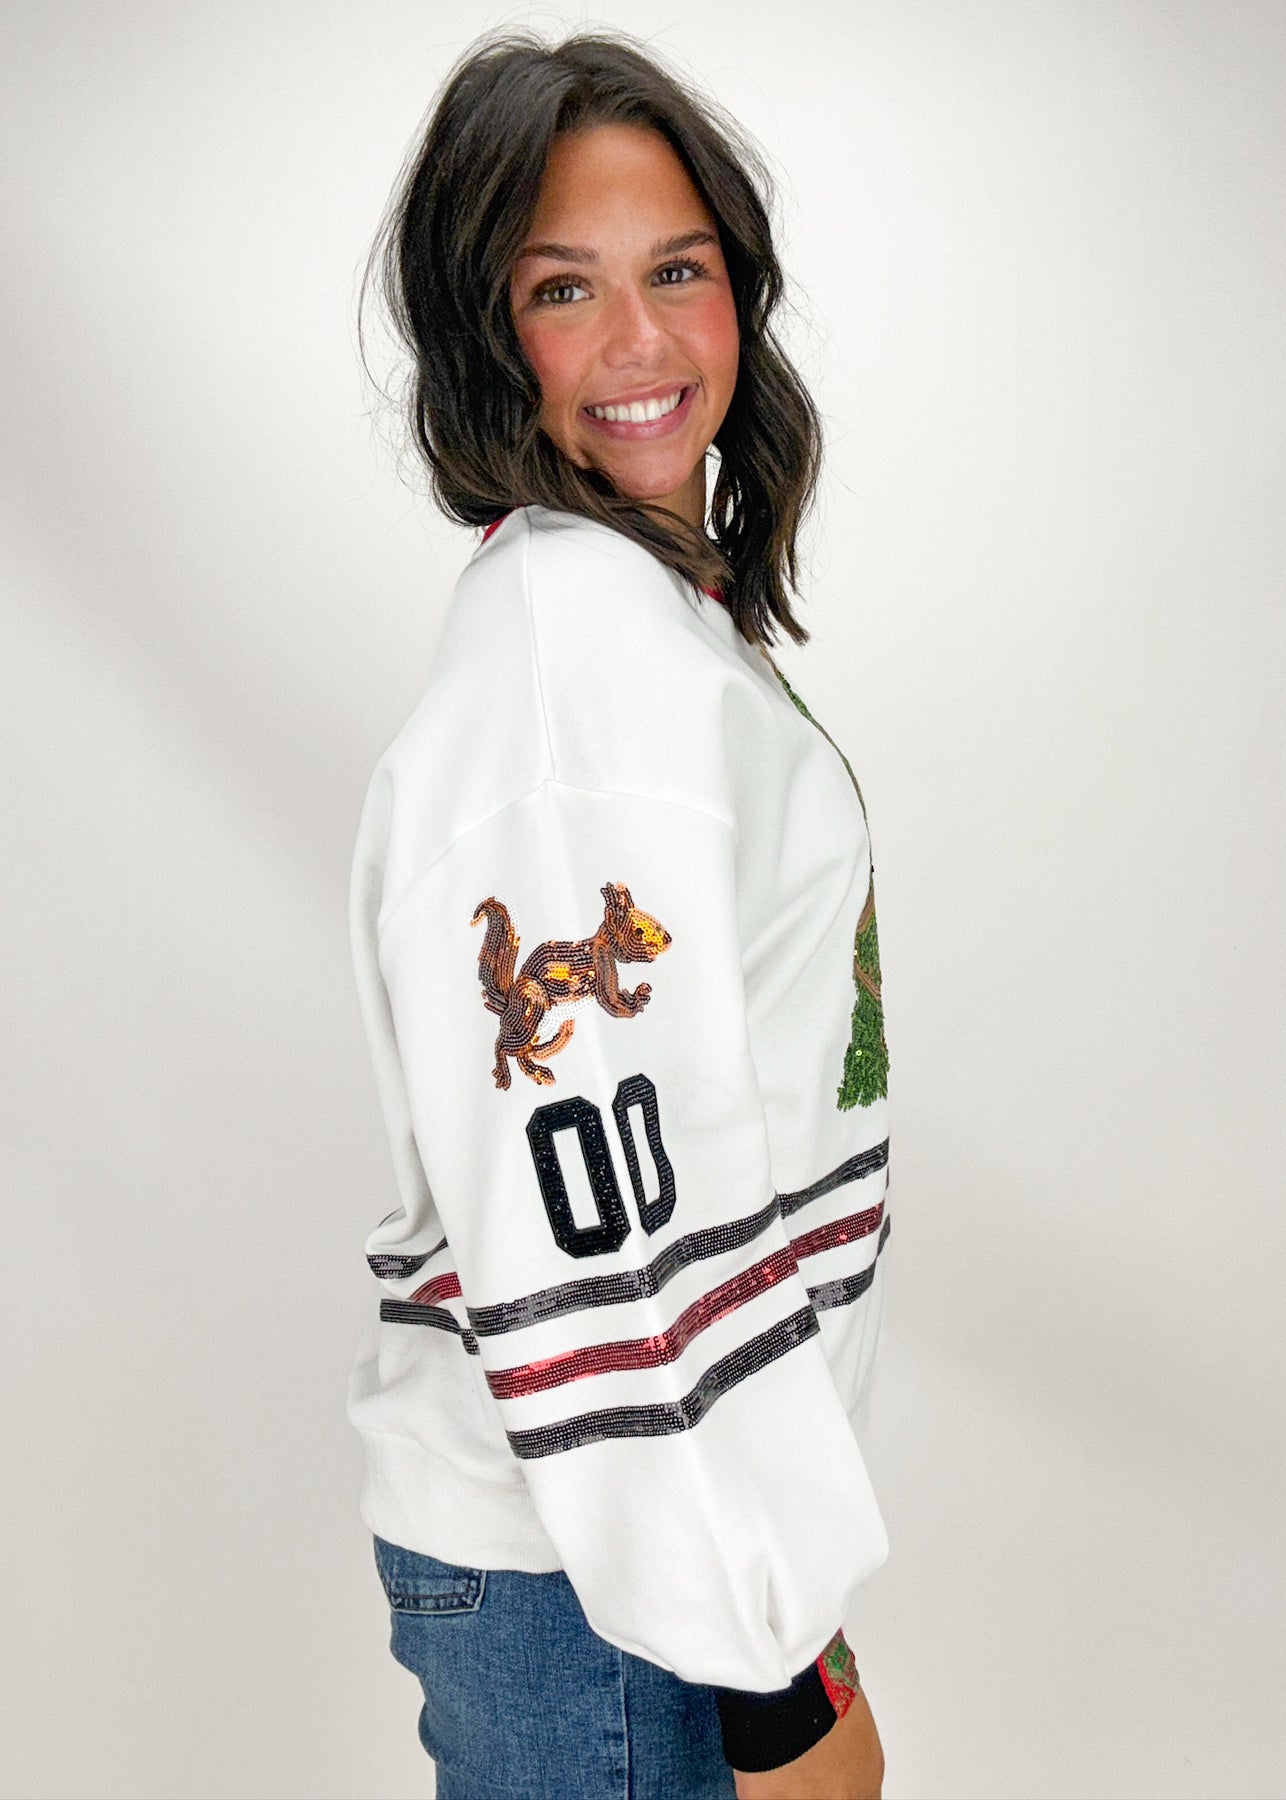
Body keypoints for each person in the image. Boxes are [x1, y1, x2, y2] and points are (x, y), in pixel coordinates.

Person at [347, 29, 893, 1800]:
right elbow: (598, 1219)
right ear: (481, 330)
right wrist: (774, 1673)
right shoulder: (571, 660)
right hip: (601, 1594)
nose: (643, 341)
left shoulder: (632, 613)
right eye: (563, 289)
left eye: (678, 269)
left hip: (626, 1558)